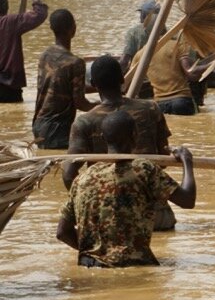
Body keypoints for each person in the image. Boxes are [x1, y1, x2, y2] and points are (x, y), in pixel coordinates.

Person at [56, 110, 196, 269]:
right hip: (134, 265)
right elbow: (187, 200)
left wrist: (95, 254)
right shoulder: (144, 169)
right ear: (135, 136)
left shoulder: (82, 178)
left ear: (103, 138)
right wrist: (187, 162)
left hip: (89, 266)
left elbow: (62, 232)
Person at [65, 54, 177, 230]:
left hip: (108, 215)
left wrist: (88, 206)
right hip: (153, 212)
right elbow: (164, 157)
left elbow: (68, 174)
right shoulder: (150, 108)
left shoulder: (84, 122)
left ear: (93, 85)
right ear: (122, 79)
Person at [32, 8, 94, 148]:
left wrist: (98, 87)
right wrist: (105, 107)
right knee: (91, 145)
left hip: (39, 124)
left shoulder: (45, 55)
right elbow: (81, 103)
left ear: (52, 29)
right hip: (57, 129)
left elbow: (59, 86)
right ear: (73, 29)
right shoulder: (75, 63)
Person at [0, 0, 48, 103]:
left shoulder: (12, 22)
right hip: (8, 89)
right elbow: (40, 13)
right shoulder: (10, 22)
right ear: (6, 8)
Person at [148, 34, 201, 116]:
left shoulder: (142, 53)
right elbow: (191, 74)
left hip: (159, 104)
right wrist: (214, 64)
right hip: (181, 100)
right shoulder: (177, 45)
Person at [121, 0, 160, 72]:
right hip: (160, 76)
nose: (140, 16)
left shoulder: (133, 32)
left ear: (144, 15)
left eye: (141, 13)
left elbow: (124, 61)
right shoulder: (169, 32)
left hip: (139, 78)